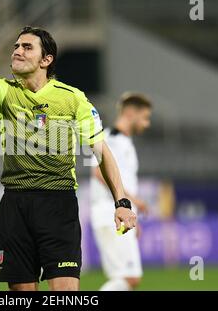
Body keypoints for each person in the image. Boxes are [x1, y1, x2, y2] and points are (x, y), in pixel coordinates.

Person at [0, 5, 137, 291]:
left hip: (58, 205)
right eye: (16, 46)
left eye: (26, 47)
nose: (17, 51)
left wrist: (121, 202)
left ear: (46, 59)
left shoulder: (73, 99)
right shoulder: (5, 90)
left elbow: (101, 151)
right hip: (14, 206)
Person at [90, 92, 152, 291]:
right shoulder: (111, 138)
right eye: (145, 117)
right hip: (109, 211)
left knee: (125, 277)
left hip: (117, 213)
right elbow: (99, 172)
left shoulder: (124, 141)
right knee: (129, 277)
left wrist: (131, 211)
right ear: (130, 113)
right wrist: (134, 201)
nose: (146, 123)